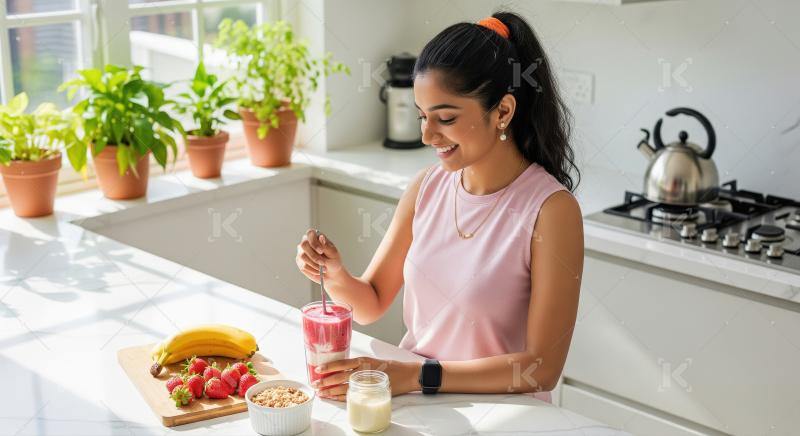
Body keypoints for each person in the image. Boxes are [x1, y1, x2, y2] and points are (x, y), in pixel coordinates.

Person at [295, 11, 583, 403]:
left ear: (503, 112)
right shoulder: (426, 188)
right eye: (422, 116)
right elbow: (372, 301)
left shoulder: (551, 210)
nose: (427, 134)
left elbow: (541, 369)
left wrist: (418, 375)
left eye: (445, 118)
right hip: (421, 405)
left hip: (504, 417)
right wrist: (333, 273)